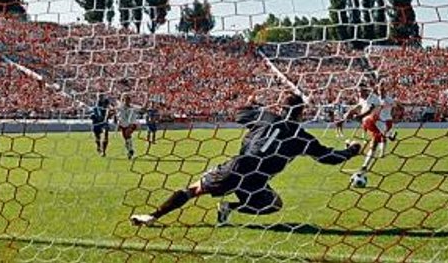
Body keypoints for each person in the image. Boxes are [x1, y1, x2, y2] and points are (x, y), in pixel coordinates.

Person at [129, 93, 361, 227]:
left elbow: (239, 113)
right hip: (257, 180)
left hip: (239, 167)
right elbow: (328, 157)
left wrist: (252, 104)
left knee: (193, 190)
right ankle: (231, 207)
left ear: (281, 108)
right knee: (274, 205)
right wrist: (350, 151)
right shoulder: (302, 137)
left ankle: (153, 216)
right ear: (301, 114)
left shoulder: (266, 116)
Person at [343, 83, 383, 174]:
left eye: (360, 91)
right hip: (368, 123)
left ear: (365, 90)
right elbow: (360, 105)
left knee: (373, 145)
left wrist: (360, 116)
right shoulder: (362, 98)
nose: (359, 93)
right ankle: (351, 145)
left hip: (375, 123)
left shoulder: (373, 98)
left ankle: (364, 165)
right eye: (358, 91)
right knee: (369, 143)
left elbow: (370, 109)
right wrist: (351, 111)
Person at [116, 94, 140, 159]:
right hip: (123, 125)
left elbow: (141, 108)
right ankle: (130, 151)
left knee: (127, 133)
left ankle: (130, 151)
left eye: (128, 100)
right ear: (123, 100)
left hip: (132, 124)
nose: (127, 101)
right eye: (125, 100)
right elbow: (117, 114)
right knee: (126, 139)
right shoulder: (120, 107)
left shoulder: (133, 107)